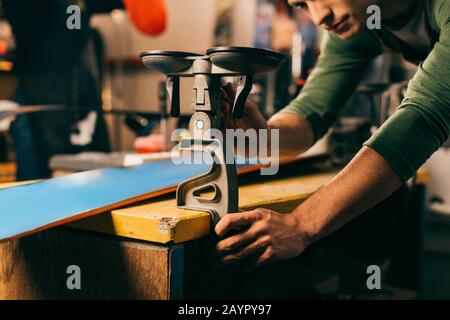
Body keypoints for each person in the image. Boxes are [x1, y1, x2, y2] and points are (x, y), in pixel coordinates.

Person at [214, 0, 449, 272]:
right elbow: (313, 109)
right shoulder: (364, 16)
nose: (319, 16)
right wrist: (264, 139)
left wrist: (300, 224)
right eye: (302, 4)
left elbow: (423, 117)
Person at [1, 0, 166, 180]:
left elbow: (154, 22)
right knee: (38, 191)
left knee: (98, 187)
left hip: (85, 105)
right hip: (39, 107)